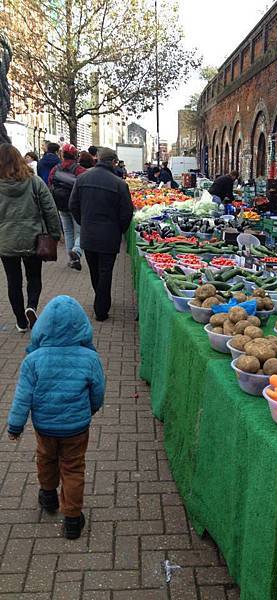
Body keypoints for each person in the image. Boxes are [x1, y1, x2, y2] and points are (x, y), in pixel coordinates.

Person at [7, 295, 105, 539]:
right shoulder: (90, 358)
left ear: (42, 327)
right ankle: (72, 519)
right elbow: (98, 392)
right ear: (83, 326)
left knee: (46, 459)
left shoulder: (33, 360)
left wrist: (15, 426)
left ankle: (48, 496)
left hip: (45, 426)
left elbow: (22, 398)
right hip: (76, 428)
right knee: (73, 468)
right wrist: (90, 409)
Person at [0, 143, 61, 331]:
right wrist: (55, 234)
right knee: (34, 276)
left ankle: (20, 320)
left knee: (13, 280)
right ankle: (31, 306)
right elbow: (50, 209)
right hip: (33, 237)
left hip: (6, 239)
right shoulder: (34, 182)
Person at [69, 147, 133, 322]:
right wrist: (119, 230)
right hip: (109, 235)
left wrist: (84, 222)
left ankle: (101, 299)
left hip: (89, 233)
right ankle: (101, 307)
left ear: (98, 159)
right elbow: (127, 213)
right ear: (113, 162)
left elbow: (73, 204)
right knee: (106, 272)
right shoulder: (119, 184)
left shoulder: (82, 179)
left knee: (94, 270)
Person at [48, 143, 86, 271]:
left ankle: (72, 259)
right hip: (76, 206)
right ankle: (76, 251)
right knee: (81, 231)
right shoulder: (79, 170)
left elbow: (50, 183)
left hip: (61, 205)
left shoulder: (55, 168)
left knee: (68, 231)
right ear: (75, 155)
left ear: (62, 155)